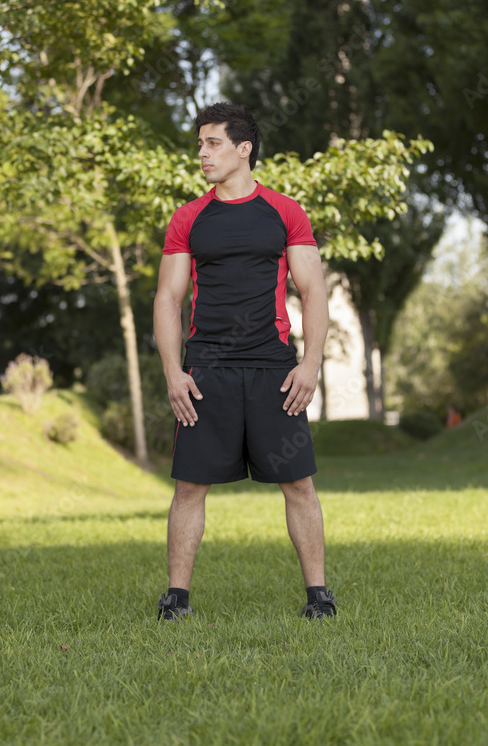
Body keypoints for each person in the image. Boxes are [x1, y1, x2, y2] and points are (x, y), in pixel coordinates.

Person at [153, 101, 336, 622]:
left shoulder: (285, 211)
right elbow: (168, 298)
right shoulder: (188, 218)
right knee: (190, 484)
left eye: (212, 143)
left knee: (298, 482)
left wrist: (311, 364)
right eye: (200, 144)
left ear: (244, 148)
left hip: (274, 368)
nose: (203, 153)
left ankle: (319, 597)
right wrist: (173, 373)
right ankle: (177, 601)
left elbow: (313, 291)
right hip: (206, 369)